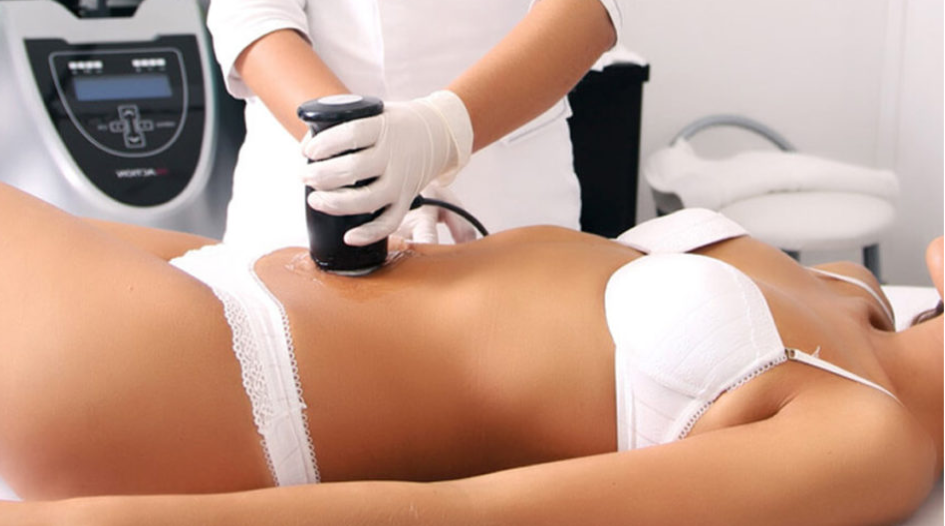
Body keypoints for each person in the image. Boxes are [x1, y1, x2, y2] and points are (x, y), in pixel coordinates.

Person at [0, 180, 941, 525]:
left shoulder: (868, 438)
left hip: (211, 373)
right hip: (219, 272)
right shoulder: (856, 297)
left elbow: (473, 514)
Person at [203, 0, 631, 254]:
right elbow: (253, 11)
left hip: (504, 193)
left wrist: (443, 130)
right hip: (311, 184)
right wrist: (365, 165)